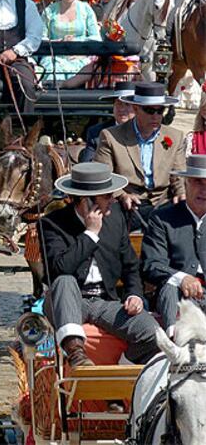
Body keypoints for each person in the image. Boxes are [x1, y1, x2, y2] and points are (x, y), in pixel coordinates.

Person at [40, 162, 159, 369]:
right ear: (86, 202)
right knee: (65, 281)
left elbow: (131, 267)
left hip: (105, 302)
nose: (113, 200)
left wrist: (135, 295)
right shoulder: (51, 224)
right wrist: (90, 234)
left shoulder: (117, 220)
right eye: (107, 196)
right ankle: (76, 355)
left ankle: (120, 374)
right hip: (67, 300)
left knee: (153, 334)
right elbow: (58, 269)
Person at [94, 82, 186, 231]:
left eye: (160, 111)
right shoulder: (111, 136)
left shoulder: (175, 137)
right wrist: (122, 195)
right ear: (136, 109)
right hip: (128, 204)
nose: (156, 116)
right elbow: (103, 176)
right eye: (150, 110)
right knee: (110, 226)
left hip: (162, 202)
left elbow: (178, 174)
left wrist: (181, 193)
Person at [141, 155, 206, 336]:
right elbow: (151, 264)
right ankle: (174, 340)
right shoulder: (163, 219)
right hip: (177, 296)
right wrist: (182, 278)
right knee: (169, 285)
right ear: (186, 183)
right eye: (198, 182)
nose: (204, 190)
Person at [40, 0, 100, 84]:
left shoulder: (86, 9)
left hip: (80, 56)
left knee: (86, 69)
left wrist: (79, 48)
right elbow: (41, 39)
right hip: (56, 56)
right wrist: (60, 42)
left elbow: (96, 38)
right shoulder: (49, 11)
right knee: (53, 68)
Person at [80, 82, 136, 162]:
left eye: (127, 104)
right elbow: (87, 166)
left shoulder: (145, 131)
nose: (122, 109)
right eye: (119, 104)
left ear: (137, 108)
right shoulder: (96, 133)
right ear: (113, 106)